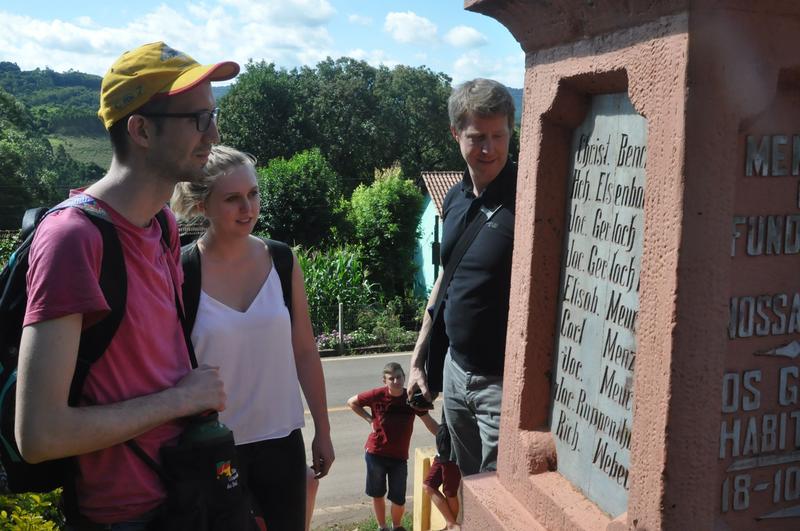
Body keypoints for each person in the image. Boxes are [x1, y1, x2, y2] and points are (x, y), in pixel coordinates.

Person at [16, 41, 239, 529]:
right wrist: (182, 400)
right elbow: (39, 434)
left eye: (213, 115)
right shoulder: (73, 239)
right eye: (198, 119)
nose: (214, 133)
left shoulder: (162, 223)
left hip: (185, 489)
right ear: (140, 128)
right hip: (124, 515)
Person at [171, 144, 334, 531]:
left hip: (282, 441)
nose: (248, 208)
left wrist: (323, 433)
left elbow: (305, 352)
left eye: (253, 194)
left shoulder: (282, 260)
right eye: (232, 199)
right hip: (213, 447)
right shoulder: (180, 272)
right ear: (201, 205)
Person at [408, 78, 516, 476]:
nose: (489, 149)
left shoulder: (528, 198)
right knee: (466, 489)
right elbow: (444, 279)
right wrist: (420, 359)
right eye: (476, 137)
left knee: (500, 493)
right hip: (455, 373)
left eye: (498, 135)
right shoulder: (454, 198)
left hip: (501, 385)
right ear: (456, 134)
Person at [347, 362, 438, 531]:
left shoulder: (411, 398)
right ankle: (382, 527)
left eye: (399, 377)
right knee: (377, 493)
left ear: (404, 377)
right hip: (376, 453)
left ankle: (397, 526)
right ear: (385, 381)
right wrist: (369, 420)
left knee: (398, 498)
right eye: (391, 378)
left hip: (399, 458)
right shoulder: (376, 395)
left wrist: (446, 437)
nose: (396, 381)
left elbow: (429, 422)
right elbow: (352, 402)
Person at [422, 421, 461, 531]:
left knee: (450, 492)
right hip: (442, 447)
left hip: (453, 449)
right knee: (428, 486)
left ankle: (452, 526)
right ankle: (451, 524)